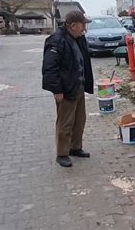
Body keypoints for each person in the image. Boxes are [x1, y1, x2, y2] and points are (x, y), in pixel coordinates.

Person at [42, 11, 94, 167]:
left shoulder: (77, 38)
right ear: (73, 25)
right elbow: (50, 68)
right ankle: (62, 153)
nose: (84, 28)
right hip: (65, 90)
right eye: (82, 25)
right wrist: (57, 90)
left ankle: (75, 148)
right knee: (65, 123)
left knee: (79, 120)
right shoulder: (56, 41)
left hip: (77, 86)